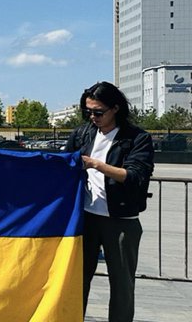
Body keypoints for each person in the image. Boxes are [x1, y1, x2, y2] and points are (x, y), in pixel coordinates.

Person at [63, 81, 154, 322]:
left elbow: (134, 176)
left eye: (98, 112)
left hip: (121, 221)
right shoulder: (82, 133)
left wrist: (96, 165)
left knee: (122, 285)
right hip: (85, 218)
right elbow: (59, 163)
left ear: (115, 108)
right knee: (77, 281)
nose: (92, 116)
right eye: (88, 111)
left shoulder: (137, 138)